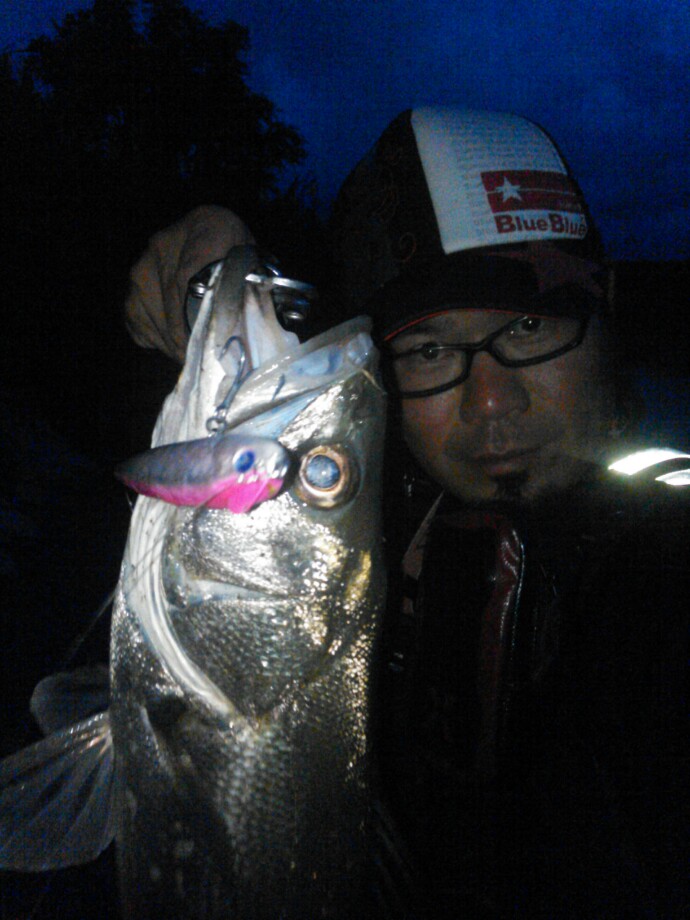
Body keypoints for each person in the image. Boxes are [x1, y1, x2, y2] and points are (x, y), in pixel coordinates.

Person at [125, 107, 689, 918]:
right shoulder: (399, 514)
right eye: (428, 350)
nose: (490, 401)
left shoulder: (661, 572)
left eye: (530, 325)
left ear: (608, 310)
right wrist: (215, 275)